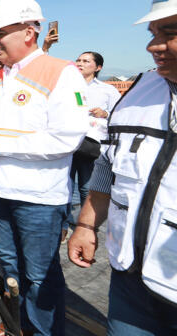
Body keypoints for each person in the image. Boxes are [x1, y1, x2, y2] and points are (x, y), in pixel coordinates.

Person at [0, 0, 89, 336]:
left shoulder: (61, 72)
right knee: (10, 267)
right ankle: (18, 324)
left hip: (37, 198)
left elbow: (67, 137)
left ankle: (42, 330)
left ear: (28, 32)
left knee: (39, 275)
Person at [68, 0, 177, 335]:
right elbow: (110, 164)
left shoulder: (108, 91)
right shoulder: (143, 89)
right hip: (131, 275)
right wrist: (85, 224)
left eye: (170, 33)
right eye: (153, 34)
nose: (154, 46)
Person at [64, 52, 120, 235]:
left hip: (91, 146)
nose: (80, 63)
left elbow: (120, 115)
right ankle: (63, 227)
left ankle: (85, 227)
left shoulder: (107, 90)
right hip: (67, 143)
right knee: (64, 186)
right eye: (78, 60)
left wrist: (105, 114)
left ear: (98, 67)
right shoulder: (66, 87)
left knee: (87, 187)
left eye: (86, 61)